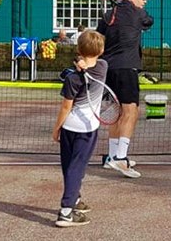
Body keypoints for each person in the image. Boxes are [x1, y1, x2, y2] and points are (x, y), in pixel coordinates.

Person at [97, 0, 154, 178]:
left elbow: (98, 35)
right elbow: (149, 21)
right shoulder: (138, 13)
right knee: (131, 112)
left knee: (115, 112)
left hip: (108, 69)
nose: (144, 1)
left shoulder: (109, 14)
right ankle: (121, 158)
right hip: (126, 68)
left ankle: (112, 157)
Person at [51, 30, 107, 227]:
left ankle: (74, 199)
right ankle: (66, 212)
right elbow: (93, 63)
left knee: (69, 166)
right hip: (86, 129)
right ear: (101, 50)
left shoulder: (71, 78)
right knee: (76, 168)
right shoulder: (103, 67)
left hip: (69, 127)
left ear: (78, 49)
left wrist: (57, 128)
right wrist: (83, 68)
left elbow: (66, 106)